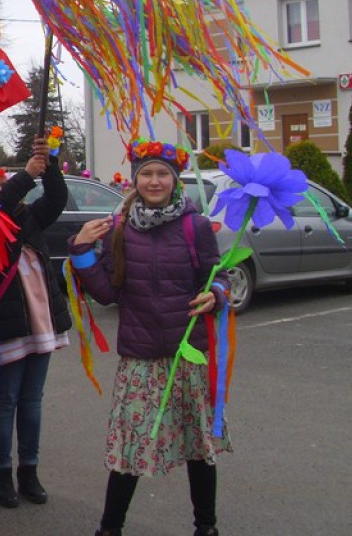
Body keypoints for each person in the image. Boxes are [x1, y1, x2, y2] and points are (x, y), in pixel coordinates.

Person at [69, 140, 231, 536]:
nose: (154, 181)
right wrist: (81, 250)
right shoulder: (120, 229)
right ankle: (110, 528)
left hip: (188, 354)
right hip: (140, 358)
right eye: (146, 173)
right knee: (130, 448)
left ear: (175, 180)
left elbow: (217, 274)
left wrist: (218, 295)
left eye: (162, 174)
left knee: (198, 448)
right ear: (135, 179)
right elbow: (108, 293)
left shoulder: (194, 226)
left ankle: (206, 527)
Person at [0, 137, 71, 509]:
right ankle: (2, 473)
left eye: (6, 185)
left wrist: (47, 161)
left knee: (32, 400)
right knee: (6, 401)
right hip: (8, 323)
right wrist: (26, 174)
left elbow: (56, 199)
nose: (3, 191)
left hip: (42, 320)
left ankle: (29, 472)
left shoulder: (30, 217)